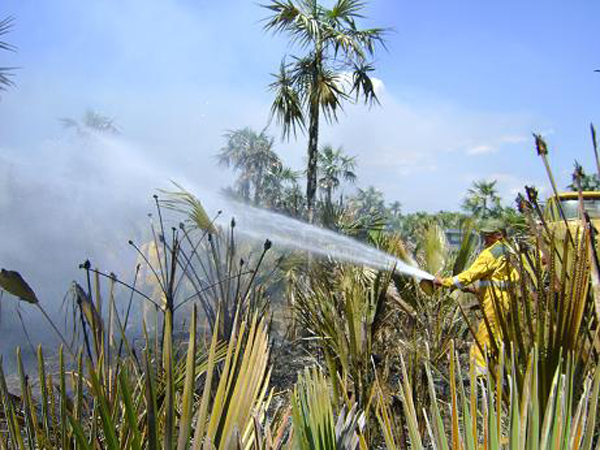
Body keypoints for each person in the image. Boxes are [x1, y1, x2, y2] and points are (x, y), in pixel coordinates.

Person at [433, 218, 517, 373]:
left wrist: (445, 282)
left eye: (488, 235)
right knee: (498, 334)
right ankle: (497, 370)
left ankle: (479, 376)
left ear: (499, 235)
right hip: (506, 297)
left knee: (486, 335)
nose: (485, 238)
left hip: (495, 299)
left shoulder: (492, 253)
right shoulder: (510, 249)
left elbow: (471, 274)